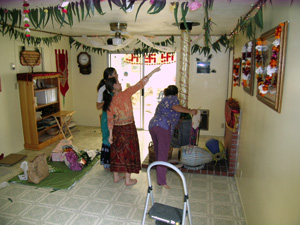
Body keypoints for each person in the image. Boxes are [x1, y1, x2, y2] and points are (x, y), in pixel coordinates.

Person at [103, 66, 161, 186]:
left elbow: (110, 121)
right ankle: (128, 180)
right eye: (118, 83)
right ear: (114, 87)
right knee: (128, 152)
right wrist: (154, 72)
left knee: (117, 152)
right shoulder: (126, 93)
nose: (120, 83)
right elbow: (141, 83)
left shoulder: (109, 102)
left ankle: (116, 176)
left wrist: (110, 136)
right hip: (128, 129)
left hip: (117, 131)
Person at [149, 85, 198, 189]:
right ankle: (161, 181)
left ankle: (162, 170)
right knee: (163, 153)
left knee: (159, 152)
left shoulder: (164, 100)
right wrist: (190, 111)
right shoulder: (173, 98)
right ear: (176, 94)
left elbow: (173, 112)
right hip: (163, 127)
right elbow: (175, 107)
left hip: (153, 125)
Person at [96, 67, 118, 169]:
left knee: (116, 137)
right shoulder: (103, 89)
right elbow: (98, 106)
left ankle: (116, 160)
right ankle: (107, 162)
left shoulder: (116, 85)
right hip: (106, 116)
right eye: (114, 73)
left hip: (116, 116)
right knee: (107, 138)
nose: (117, 75)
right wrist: (108, 100)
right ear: (108, 76)